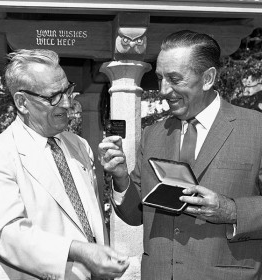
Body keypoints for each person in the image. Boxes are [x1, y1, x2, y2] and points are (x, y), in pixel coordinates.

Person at [98, 30, 262, 280]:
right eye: (160, 77)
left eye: (175, 79)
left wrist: (232, 211)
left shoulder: (255, 128)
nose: (163, 90)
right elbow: (135, 215)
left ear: (208, 78)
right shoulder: (154, 134)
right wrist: (120, 178)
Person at [0, 49, 129, 280]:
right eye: (54, 97)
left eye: (68, 91)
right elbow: (8, 235)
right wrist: (79, 251)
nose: (68, 103)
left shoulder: (79, 145)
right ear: (22, 102)